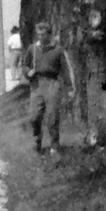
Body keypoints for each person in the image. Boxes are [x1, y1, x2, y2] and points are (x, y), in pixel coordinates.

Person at [21, 21, 75, 154]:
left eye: (43, 34)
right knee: (34, 116)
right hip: (36, 84)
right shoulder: (32, 49)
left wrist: (70, 89)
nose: (40, 37)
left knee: (52, 116)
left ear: (49, 34)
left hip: (52, 83)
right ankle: (37, 138)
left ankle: (54, 145)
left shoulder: (57, 50)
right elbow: (24, 65)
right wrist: (28, 72)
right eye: (38, 34)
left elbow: (66, 70)